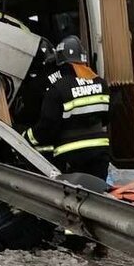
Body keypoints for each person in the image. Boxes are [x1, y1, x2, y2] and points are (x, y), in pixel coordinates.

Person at [25, 35, 110, 180]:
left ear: (60, 61)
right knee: (96, 194)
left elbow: (47, 126)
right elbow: (107, 118)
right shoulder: (101, 84)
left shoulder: (58, 88)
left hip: (71, 157)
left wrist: (27, 137)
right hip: (100, 154)